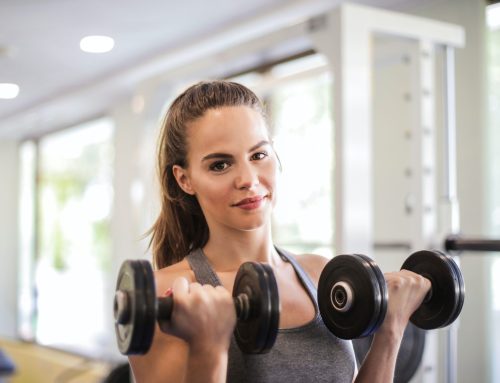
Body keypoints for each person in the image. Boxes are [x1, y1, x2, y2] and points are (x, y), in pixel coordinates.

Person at [128, 81, 431, 383]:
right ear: (184, 179)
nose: (248, 179)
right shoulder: (166, 295)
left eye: (258, 155)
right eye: (220, 165)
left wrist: (391, 328)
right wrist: (209, 345)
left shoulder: (321, 275)